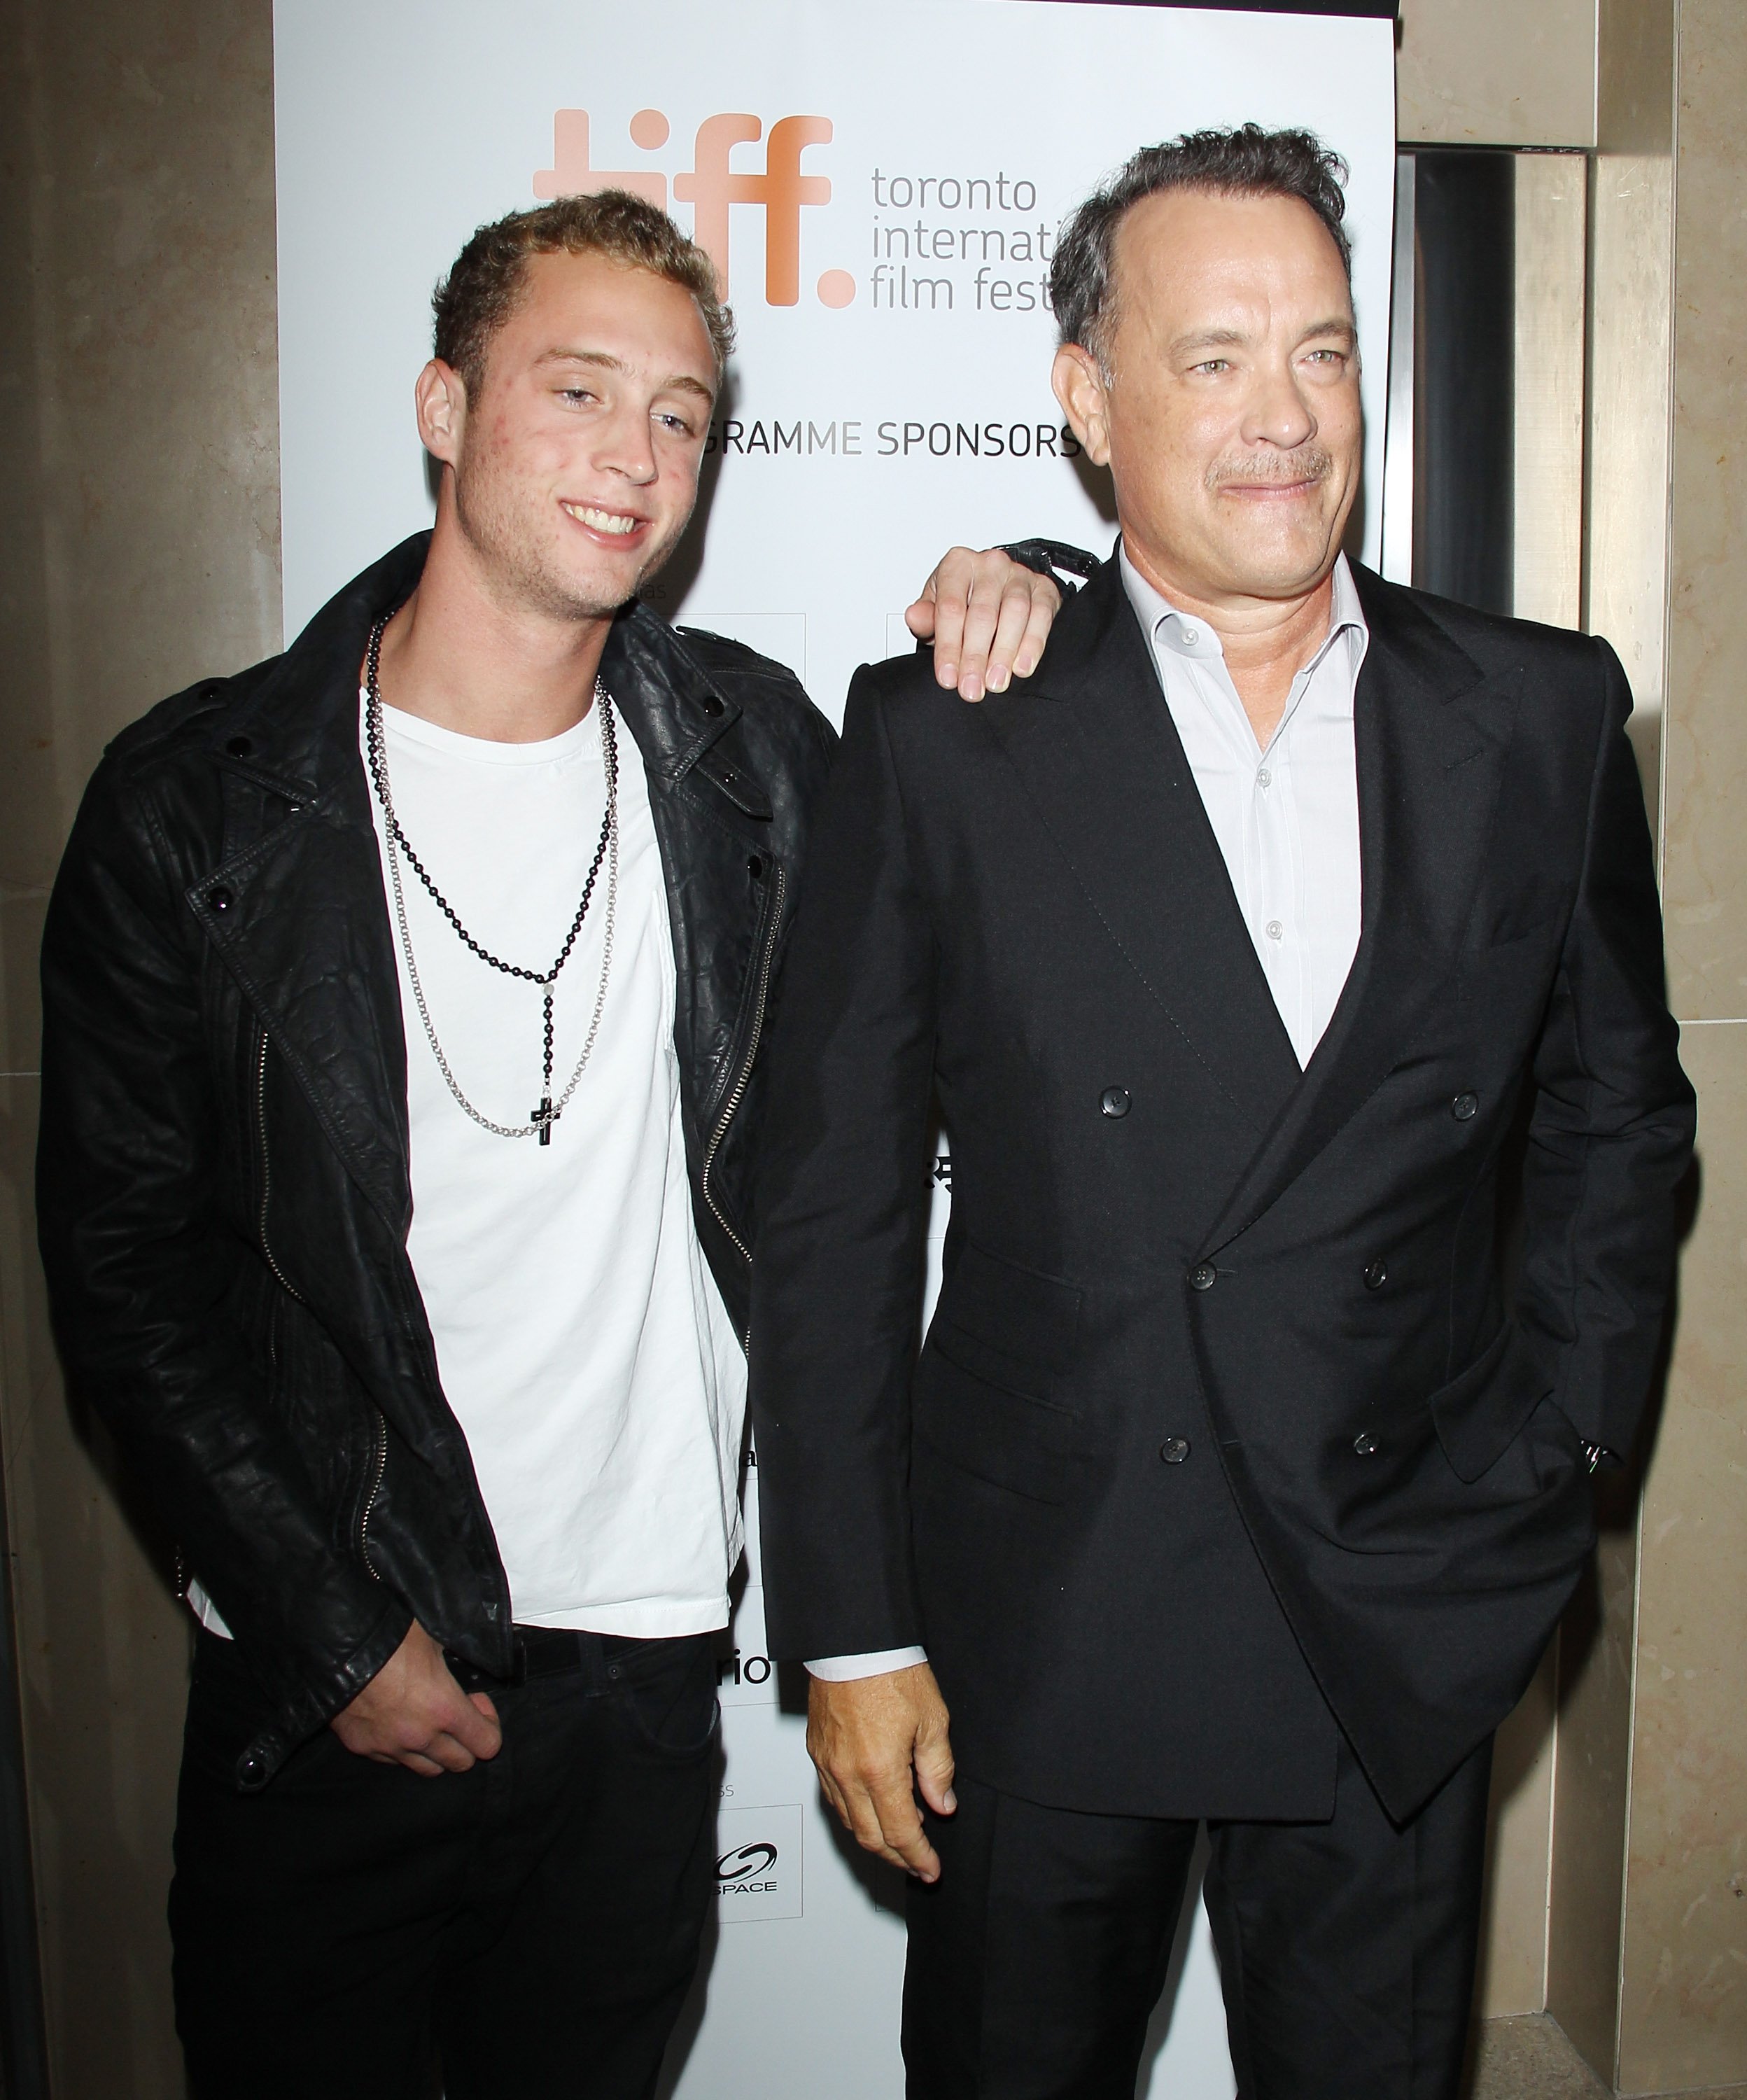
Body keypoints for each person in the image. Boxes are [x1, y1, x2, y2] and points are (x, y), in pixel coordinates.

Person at [34, 189, 1065, 2099]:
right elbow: (124, 1272)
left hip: (648, 1661)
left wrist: (1046, 578)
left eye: (680, 415)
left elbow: (1008, 815)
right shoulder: (197, 805)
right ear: (444, 406)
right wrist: (331, 1628)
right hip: (335, 1661)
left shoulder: (752, 761)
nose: (636, 457)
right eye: (578, 391)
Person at [748, 126, 1695, 2100]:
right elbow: (831, 1209)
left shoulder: (1537, 715)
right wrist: (849, 1632)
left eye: (1327, 353)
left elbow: (1620, 1113)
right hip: (1044, 1626)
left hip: (1395, 1615)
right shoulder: (945, 738)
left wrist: (1560, 1449)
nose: (1285, 419)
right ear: (1087, 402)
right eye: (1215, 359)